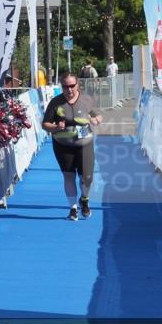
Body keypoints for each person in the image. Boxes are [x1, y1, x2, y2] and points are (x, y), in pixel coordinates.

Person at [42, 72, 103, 220]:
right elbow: (45, 124)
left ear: (78, 84)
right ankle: (73, 208)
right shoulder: (55, 102)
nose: (69, 90)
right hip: (63, 145)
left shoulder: (86, 100)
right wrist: (56, 127)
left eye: (72, 86)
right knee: (68, 176)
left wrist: (96, 120)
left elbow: (98, 115)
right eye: (65, 86)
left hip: (85, 144)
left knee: (87, 178)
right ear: (61, 86)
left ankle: (84, 200)